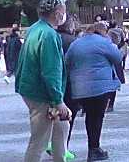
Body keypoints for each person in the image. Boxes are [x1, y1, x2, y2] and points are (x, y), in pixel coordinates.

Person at [16, 0, 72, 162]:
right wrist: (58, 100)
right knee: (39, 141)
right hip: (43, 95)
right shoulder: (48, 35)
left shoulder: (35, 28)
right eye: (64, 7)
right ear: (57, 13)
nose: (65, 11)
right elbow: (51, 71)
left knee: (61, 126)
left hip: (32, 90)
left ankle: (60, 158)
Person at [65, 23, 122, 162]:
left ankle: (64, 146)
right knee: (96, 117)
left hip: (79, 88)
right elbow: (118, 58)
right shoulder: (103, 42)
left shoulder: (76, 44)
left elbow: (67, 62)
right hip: (100, 87)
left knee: (88, 115)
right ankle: (94, 149)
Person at [56, 16, 79, 160]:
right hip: (70, 84)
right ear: (70, 26)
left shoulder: (53, 37)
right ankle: (62, 146)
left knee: (55, 115)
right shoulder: (73, 42)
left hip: (55, 83)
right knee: (68, 116)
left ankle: (55, 144)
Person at [105, 21, 125, 112]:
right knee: (113, 81)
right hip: (117, 52)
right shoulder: (120, 31)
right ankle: (110, 104)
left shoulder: (108, 33)